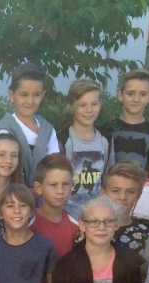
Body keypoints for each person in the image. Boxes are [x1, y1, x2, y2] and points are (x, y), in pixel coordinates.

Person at [0, 62, 58, 185]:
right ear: (12, 95)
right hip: (12, 194)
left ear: (43, 95)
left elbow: (54, 170)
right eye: (24, 95)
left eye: (36, 95)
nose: (30, 101)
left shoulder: (47, 131)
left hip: (43, 194)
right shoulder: (4, 131)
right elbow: (1, 174)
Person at [56, 80, 110, 220]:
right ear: (70, 107)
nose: (89, 110)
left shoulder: (105, 139)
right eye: (82, 105)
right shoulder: (62, 139)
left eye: (94, 104)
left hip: (96, 217)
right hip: (66, 216)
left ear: (100, 105)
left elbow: (109, 177)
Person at [104, 69, 149, 180]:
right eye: (130, 94)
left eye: (143, 94)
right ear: (120, 95)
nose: (136, 99)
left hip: (141, 187)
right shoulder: (106, 129)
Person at [101, 161, 149, 254]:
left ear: (139, 195)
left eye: (130, 192)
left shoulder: (146, 237)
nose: (122, 197)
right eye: (115, 191)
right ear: (103, 193)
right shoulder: (89, 231)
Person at [32, 154, 78, 259]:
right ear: (38, 187)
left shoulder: (78, 224)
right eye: (53, 185)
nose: (60, 191)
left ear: (72, 185)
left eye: (65, 184)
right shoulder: (28, 224)